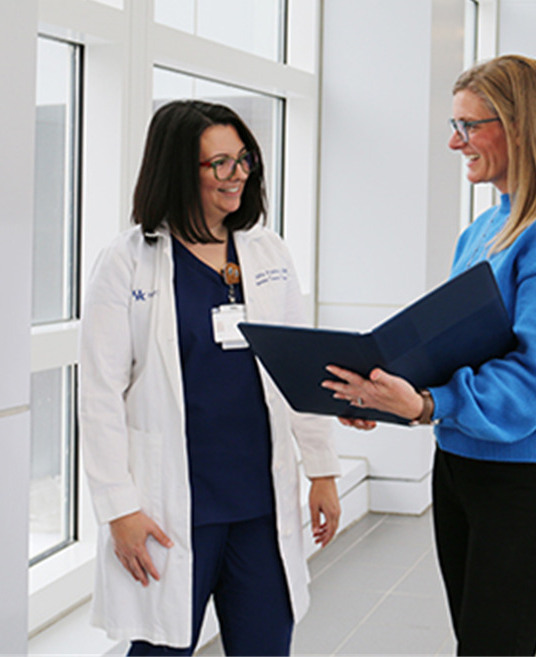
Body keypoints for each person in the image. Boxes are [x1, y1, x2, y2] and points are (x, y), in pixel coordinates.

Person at [323, 55, 536, 655]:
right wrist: (382, 395)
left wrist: (426, 405)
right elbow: (456, 347)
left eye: (468, 126)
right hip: (461, 466)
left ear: (520, 127)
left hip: (524, 481)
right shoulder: (486, 227)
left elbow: (532, 384)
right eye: (454, 126)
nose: (456, 143)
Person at [79, 100, 342, 656]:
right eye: (219, 163)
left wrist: (321, 469)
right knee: (161, 649)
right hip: (172, 506)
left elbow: (299, 369)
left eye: (243, 159)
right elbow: (99, 395)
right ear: (179, 169)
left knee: (265, 647)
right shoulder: (128, 261)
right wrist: (118, 509)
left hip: (260, 504)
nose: (237, 174)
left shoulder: (266, 252)